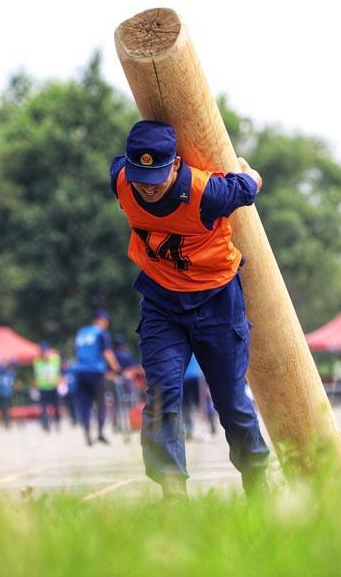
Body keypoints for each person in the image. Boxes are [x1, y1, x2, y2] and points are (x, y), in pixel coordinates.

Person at [110, 120, 270, 502]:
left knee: (231, 401)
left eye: (156, 176)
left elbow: (251, 183)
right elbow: (123, 170)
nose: (147, 185)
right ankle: (173, 494)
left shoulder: (209, 192)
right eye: (140, 174)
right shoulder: (120, 178)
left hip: (216, 301)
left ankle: (258, 485)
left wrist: (248, 172)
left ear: (177, 165)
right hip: (162, 303)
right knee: (162, 394)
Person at [73, 309, 121, 446]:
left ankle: (87, 435)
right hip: (95, 373)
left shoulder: (81, 333)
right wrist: (116, 368)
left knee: (85, 405)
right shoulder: (100, 333)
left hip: (81, 372)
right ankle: (100, 433)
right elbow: (107, 352)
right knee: (101, 404)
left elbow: (77, 352)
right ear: (101, 320)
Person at [183, 354, 217, 440]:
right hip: (196, 376)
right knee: (203, 402)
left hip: (186, 377)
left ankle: (189, 429)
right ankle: (210, 421)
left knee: (185, 405)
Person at [33, 343, 62, 432]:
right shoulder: (37, 361)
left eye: (45, 351)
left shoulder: (55, 360)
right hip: (43, 388)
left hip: (54, 387)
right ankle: (45, 425)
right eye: (42, 352)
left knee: (57, 407)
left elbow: (59, 354)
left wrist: (51, 353)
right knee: (43, 408)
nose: (44, 354)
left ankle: (57, 422)